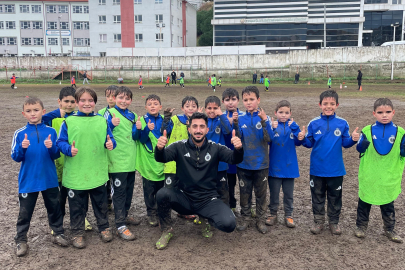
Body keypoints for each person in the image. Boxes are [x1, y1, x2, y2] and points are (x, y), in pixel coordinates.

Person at [154, 112, 244, 250]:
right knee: (162, 194)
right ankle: (167, 229)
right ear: (189, 129)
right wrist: (159, 149)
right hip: (184, 197)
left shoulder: (216, 147)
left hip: (207, 199)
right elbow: (162, 158)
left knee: (229, 224)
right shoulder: (179, 146)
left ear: (207, 130)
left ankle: (204, 219)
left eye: (202, 126)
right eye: (194, 126)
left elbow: (234, 159)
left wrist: (238, 149)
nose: (198, 130)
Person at [56, 87, 116, 249]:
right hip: (76, 175)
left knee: (101, 204)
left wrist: (110, 144)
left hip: (97, 173)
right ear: (76, 102)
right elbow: (60, 143)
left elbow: (110, 139)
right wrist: (68, 149)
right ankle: (77, 232)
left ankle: (104, 228)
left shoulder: (102, 121)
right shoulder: (68, 122)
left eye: (90, 100)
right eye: (83, 100)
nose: (87, 103)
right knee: (77, 206)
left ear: (95, 103)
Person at [12, 97, 68, 257]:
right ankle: (21, 240)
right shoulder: (20, 133)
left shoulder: (51, 131)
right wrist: (22, 149)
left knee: (54, 208)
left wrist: (52, 148)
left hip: (49, 179)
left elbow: (56, 154)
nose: (33, 114)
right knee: (25, 212)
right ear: (24, 114)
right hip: (28, 181)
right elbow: (15, 157)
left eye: (36, 110)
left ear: (43, 112)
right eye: (29, 111)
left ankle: (58, 233)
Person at [298, 90, 359, 235]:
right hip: (317, 169)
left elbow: (345, 143)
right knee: (317, 196)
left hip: (336, 170)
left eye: (332, 104)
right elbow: (309, 143)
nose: (328, 106)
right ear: (320, 105)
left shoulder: (342, 123)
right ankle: (319, 222)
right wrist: (302, 138)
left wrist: (353, 139)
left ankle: (334, 222)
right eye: (325, 103)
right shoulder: (314, 123)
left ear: (337, 105)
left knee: (335, 197)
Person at [42, 87, 93, 232]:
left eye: (72, 101)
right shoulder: (53, 118)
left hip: (76, 165)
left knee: (79, 196)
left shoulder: (80, 118)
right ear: (59, 102)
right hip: (58, 166)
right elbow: (40, 119)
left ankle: (82, 218)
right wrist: (57, 112)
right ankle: (57, 223)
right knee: (59, 198)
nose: (69, 105)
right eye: (66, 101)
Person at [354, 98, 405, 243]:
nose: (384, 115)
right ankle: (361, 227)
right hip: (370, 175)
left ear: (393, 113)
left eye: (388, 112)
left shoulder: (400, 132)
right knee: (364, 203)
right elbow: (359, 149)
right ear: (374, 113)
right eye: (380, 112)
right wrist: (360, 143)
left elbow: (403, 153)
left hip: (389, 176)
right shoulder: (367, 130)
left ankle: (389, 229)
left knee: (388, 204)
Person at [233, 86, 274, 234]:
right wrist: (236, 124)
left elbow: (270, 138)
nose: (249, 102)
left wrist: (264, 121)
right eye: (245, 100)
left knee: (261, 194)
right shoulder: (240, 118)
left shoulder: (265, 118)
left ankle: (261, 219)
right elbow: (237, 138)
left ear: (258, 100)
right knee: (244, 193)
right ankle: (245, 217)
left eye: (252, 99)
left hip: (261, 164)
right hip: (244, 164)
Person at [105, 86, 140, 240]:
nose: (123, 101)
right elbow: (101, 132)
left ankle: (124, 215)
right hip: (116, 160)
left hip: (130, 161)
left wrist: (139, 129)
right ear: (114, 98)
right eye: (120, 97)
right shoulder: (108, 113)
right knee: (119, 193)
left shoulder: (133, 115)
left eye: (127, 98)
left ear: (131, 100)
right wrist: (110, 124)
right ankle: (120, 224)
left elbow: (135, 136)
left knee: (128, 191)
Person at [160, 96, 200, 221]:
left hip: (188, 165)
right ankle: (165, 218)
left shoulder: (198, 124)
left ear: (197, 108)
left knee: (185, 191)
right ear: (182, 108)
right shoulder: (175, 119)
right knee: (169, 191)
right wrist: (166, 118)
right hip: (172, 164)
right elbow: (164, 131)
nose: (190, 109)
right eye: (187, 106)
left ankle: (183, 212)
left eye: (193, 106)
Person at [265, 100, 302, 229]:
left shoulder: (294, 127)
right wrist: (271, 128)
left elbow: (299, 142)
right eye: (281, 112)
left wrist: (297, 129)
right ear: (275, 113)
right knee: (274, 193)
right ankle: (272, 214)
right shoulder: (273, 127)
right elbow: (267, 141)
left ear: (290, 114)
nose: (284, 115)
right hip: (274, 167)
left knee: (288, 194)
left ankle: (289, 215)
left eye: (286, 112)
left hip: (289, 167)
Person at [135, 94, 165, 227]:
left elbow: (168, 134)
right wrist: (146, 129)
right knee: (149, 190)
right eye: (150, 104)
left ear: (160, 106)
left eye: (155, 103)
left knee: (161, 189)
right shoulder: (142, 119)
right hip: (148, 162)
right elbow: (140, 139)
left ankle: (160, 211)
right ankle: (151, 213)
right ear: (145, 106)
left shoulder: (164, 119)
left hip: (161, 160)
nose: (153, 106)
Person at [205, 96, 232, 208]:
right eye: (209, 108)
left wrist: (221, 115)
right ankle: (205, 214)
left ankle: (224, 213)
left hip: (220, 164)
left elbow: (228, 130)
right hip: (205, 164)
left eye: (215, 108)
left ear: (219, 108)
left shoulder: (221, 120)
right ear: (205, 109)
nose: (212, 111)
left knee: (222, 191)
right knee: (206, 190)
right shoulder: (203, 121)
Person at [222, 88, 245, 213]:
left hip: (241, 158)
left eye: (233, 99)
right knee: (229, 184)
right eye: (227, 100)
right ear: (223, 101)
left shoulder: (243, 116)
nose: (230, 102)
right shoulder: (221, 116)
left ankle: (246, 208)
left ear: (238, 100)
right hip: (226, 159)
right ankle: (231, 206)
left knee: (244, 184)